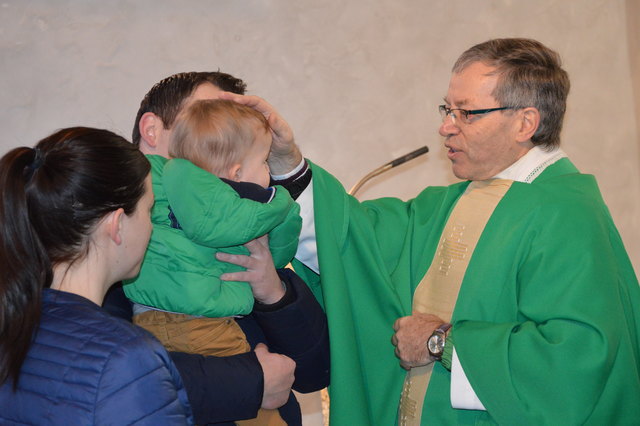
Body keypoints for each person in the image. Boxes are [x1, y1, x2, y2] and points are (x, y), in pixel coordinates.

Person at [223, 38, 640, 425]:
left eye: (467, 112)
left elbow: (577, 362)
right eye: (447, 110)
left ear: (525, 123)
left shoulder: (565, 212)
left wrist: (443, 342)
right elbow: (353, 243)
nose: (446, 127)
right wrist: (287, 164)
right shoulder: (449, 205)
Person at [105, 71, 329, 425]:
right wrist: (253, 382)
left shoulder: (240, 213)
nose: (225, 137)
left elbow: (316, 371)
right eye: (205, 116)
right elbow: (111, 376)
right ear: (152, 130)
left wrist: (274, 293)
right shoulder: (110, 229)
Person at [0, 127, 193, 424]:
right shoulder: (126, 359)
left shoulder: (12, 320)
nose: (151, 227)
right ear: (116, 225)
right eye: (148, 210)